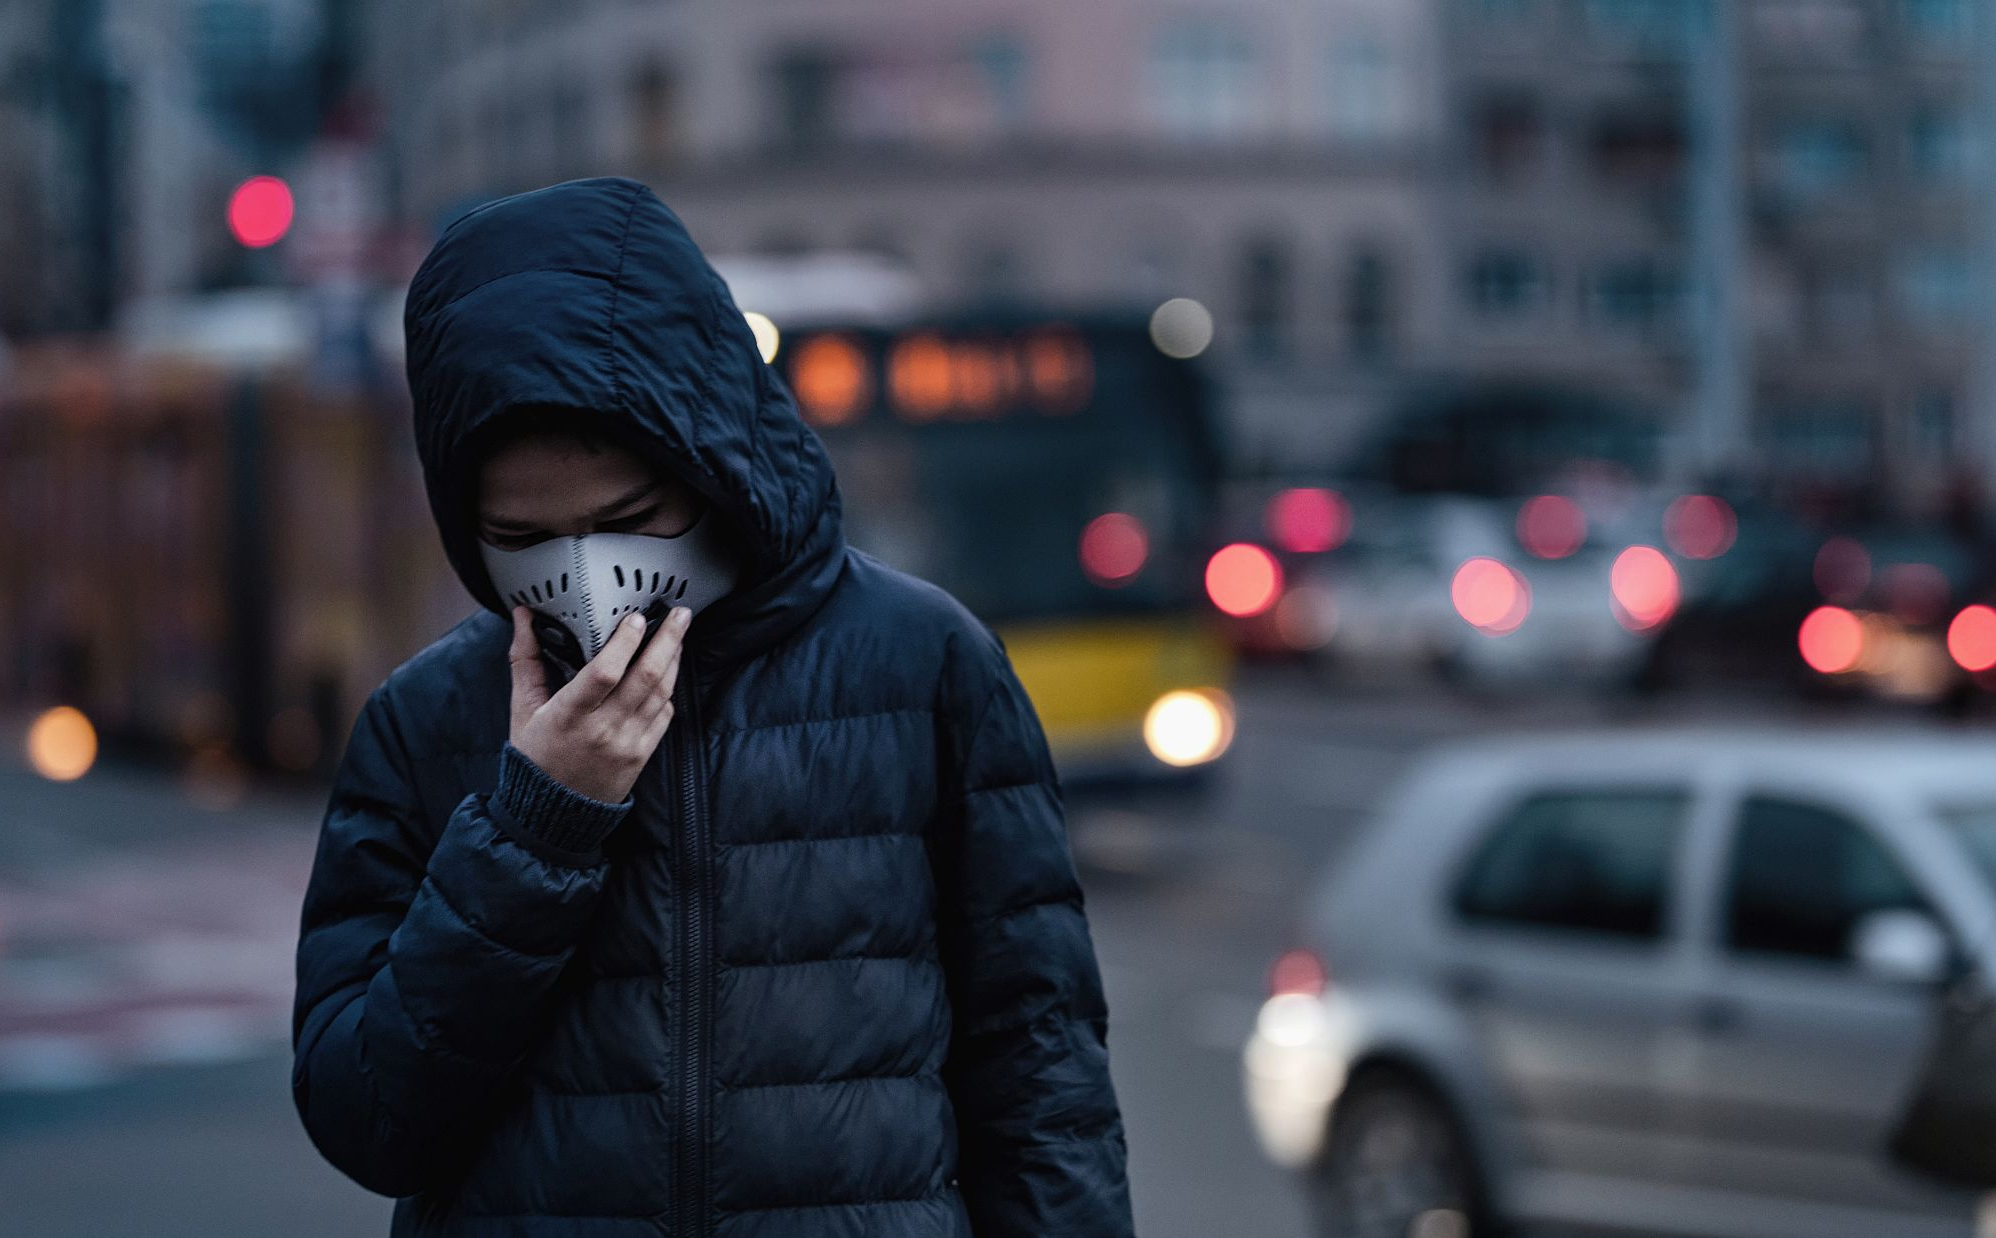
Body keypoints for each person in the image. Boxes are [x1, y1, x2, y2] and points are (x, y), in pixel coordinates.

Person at [290, 177, 1135, 1236]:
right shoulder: (424, 720)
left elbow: (1041, 1076)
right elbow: (366, 1117)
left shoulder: (924, 663)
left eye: (629, 518)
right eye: (524, 540)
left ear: (713, 463)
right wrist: (532, 827)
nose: (587, 575)